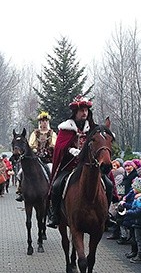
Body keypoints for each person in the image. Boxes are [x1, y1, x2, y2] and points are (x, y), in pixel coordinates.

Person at [47, 95, 113, 229]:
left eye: (86, 110)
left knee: (109, 184)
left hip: (89, 166)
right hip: (70, 166)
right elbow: (60, 147)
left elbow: (101, 142)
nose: (84, 113)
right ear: (75, 112)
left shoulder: (93, 129)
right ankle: (55, 215)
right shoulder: (66, 128)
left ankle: (106, 215)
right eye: (81, 110)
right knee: (56, 185)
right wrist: (71, 150)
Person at [16, 111, 58, 202]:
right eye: (42, 121)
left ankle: (52, 190)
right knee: (20, 173)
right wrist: (34, 149)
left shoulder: (52, 133)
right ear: (40, 123)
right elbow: (31, 144)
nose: (44, 123)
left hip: (47, 159)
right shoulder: (35, 133)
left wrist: (48, 150)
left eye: (46, 121)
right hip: (36, 159)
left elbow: (54, 145)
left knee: (51, 171)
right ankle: (21, 191)